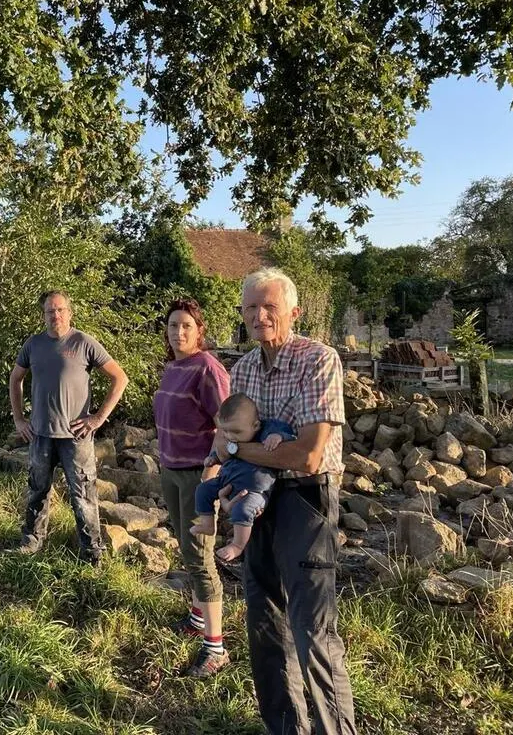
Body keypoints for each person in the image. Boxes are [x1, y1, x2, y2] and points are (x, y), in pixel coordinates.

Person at [216, 267, 357, 735]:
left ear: (294, 312)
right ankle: (284, 727)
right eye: (251, 308)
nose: (259, 316)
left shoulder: (318, 360)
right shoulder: (242, 370)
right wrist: (232, 467)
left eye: (269, 306)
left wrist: (237, 451)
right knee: (264, 622)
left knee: (313, 630)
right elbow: (222, 444)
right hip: (257, 500)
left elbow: (308, 455)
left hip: (305, 497)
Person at [9, 290, 129, 566]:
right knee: (38, 490)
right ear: (44, 315)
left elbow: (120, 378)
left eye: (60, 309)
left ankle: (92, 554)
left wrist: (98, 418)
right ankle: (32, 541)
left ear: (70, 312)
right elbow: (16, 379)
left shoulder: (84, 342)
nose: (56, 315)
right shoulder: (33, 344)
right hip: (40, 434)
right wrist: (19, 419)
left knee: (84, 495)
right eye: (50, 311)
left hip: (76, 437)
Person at [152, 297, 231, 677]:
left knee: (200, 557)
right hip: (171, 470)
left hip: (197, 477)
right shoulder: (173, 367)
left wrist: (212, 471)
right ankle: (198, 619)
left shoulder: (207, 369)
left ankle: (215, 648)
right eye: (173, 325)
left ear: (200, 331)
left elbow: (228, 425)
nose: (178, 332)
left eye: (186, 326)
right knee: (187, 548)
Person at [191, 393, 295, 561]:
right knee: (202, 490)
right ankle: (207, 524)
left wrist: (278, 437)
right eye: (225, 431)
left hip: (253, 491)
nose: (230, 436)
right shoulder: (232, 438)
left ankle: (237, 545)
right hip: (225, 481)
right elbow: (222, 453)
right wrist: (213, 459)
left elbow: (291, 436)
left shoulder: (268, 429)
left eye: (236, 432)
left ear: (255, 425)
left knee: (244, 509)